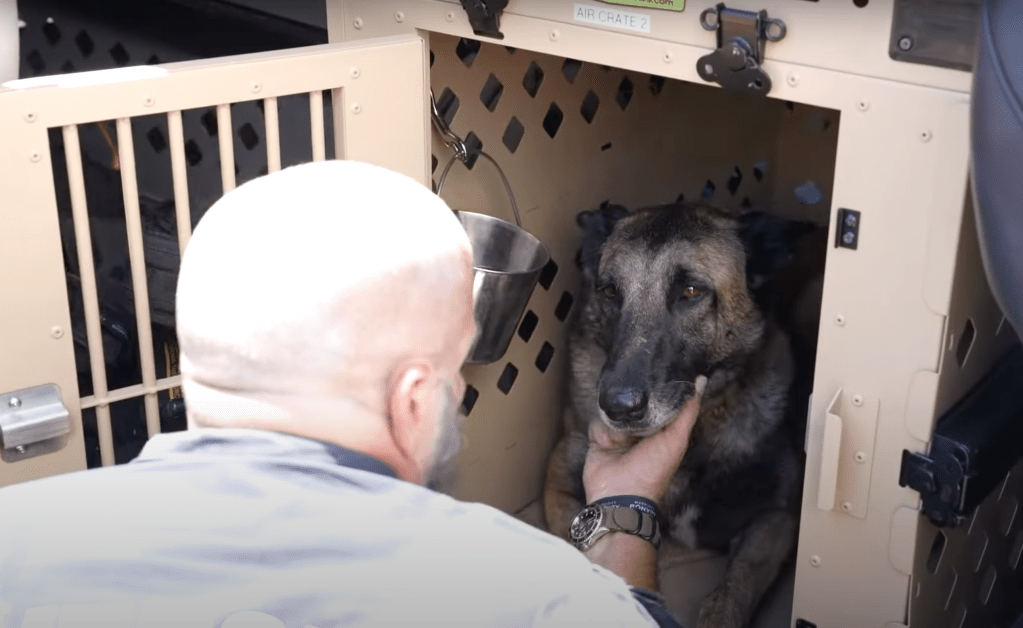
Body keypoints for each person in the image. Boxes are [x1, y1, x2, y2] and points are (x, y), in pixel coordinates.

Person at [0, 160, 704, 628]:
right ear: (413, 396)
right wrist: (624, 507)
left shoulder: (17, 536)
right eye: (456, 367)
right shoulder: (526, 593)